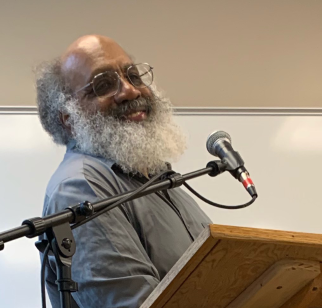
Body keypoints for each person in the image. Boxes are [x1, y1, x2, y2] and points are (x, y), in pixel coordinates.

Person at [36, 34, 211, 308]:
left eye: (134, 76)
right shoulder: (80, 188)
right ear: (69, 120)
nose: (130, 91)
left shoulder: (158, 178)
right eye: (103, 85)